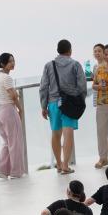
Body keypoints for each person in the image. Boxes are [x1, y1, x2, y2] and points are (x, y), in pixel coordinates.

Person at [40, 40, 87, 174]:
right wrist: (80, 100)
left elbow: (43, 87)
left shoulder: (49, 65)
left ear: (58, 50)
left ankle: (59, 164)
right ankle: (66, 165)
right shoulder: (75, 64)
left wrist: (44, 106)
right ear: (70, 50)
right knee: (68, 134)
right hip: (70, 103)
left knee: (56, 134)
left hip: (54, 103)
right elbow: (82, 86)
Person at [0, 53, 26, 179]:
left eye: (13, 61)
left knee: (7, 142)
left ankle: (1, 170)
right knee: (15, 142)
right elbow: (13, 96)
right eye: (10, 61)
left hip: (1, 111)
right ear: (3, 64)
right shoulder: (7, 78)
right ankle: (16, 172)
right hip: (9, 111)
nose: (13, 63)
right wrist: (20, 109)